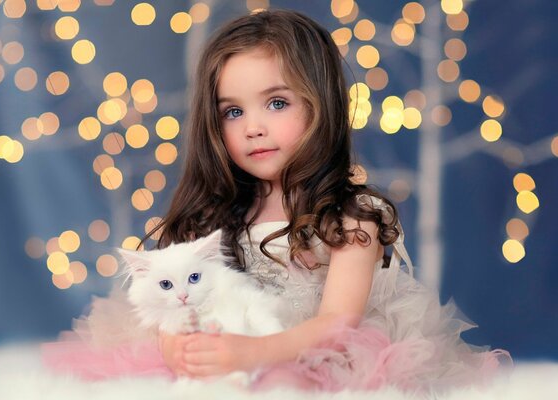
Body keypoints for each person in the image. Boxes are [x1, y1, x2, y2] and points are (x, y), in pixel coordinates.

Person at [43, 9, 511, 393]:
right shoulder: (214, 215)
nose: (252, 127)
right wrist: (177, 349)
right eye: (232, 111)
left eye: (277, 103)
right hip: (226, 351)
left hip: (311, 357)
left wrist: (252, 353)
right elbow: (175, 314)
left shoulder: (351, 219)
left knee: (283, 384)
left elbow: (336, 323)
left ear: (319, 104)